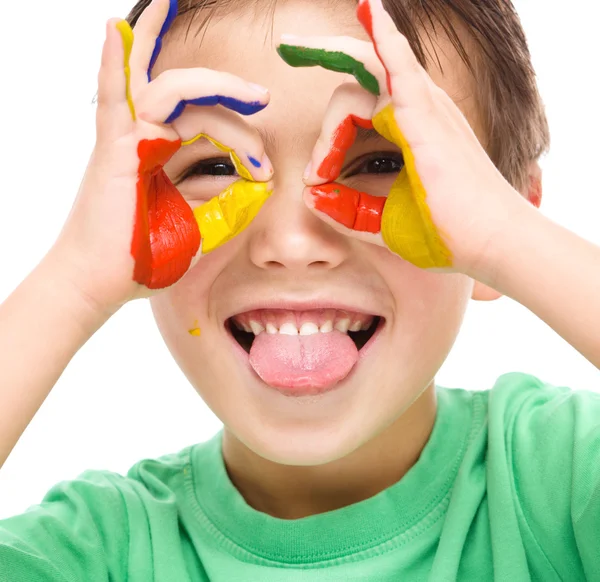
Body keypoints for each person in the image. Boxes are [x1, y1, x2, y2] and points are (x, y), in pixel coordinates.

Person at [0, 0, 598, 579]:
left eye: (385, 163)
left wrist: (504, 243)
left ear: (515, 209)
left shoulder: (558, 480)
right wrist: (72, 285)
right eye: (212, 168)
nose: (289, 244)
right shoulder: (97, 551)